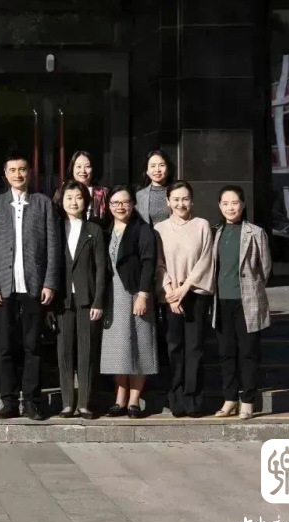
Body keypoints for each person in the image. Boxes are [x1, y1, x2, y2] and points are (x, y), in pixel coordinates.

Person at [0, 151, 60, 420]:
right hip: (4, 287)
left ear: (30, 173)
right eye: (13, 170)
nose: (18, 174)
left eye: (23, 169)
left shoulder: (43, 203)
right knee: (6, 347)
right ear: (5, 174)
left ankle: (32, 401)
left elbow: (53, 246)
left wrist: (49, 282)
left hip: (34, 286)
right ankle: (8, 401)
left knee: (32, 346)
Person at [155, 180, 215, 418]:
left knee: (195, 348)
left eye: (185, 199)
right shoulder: (160, 228)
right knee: (174, 348)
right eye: (176, 199)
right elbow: (158, 263)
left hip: (195, 294)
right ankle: (176, 398)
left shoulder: (202, 225)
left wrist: (186, 288)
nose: (181, 204)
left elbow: (206, 259)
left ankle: (193, 400)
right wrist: (171, 291)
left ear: (192, 201)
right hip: (170, 297)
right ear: (168, 201)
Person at [212, 185, 271, 420]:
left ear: (243, 205)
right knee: (226, 353)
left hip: (247, 302)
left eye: (234, 203)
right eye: (225, 203)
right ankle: (229, 400)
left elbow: (264, 269)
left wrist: (251, 289)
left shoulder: (255, 233)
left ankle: (247, 400)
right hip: (221, 302)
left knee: (247, 353)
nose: (230, 208)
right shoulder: (216, 232)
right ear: (219, 206)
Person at [100, 186, 159, 418]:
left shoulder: (142, 230)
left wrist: (143, 295)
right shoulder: (106, 230)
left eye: (124, 202)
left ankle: (134, 401)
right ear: (109, 206)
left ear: (133, 204)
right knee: (117, 349)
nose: (120, 207)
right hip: (112, 295)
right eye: (115, 203)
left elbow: (149, 263)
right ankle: (119, 399)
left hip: (135, 293)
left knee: (138, 345)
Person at [53, 179, 106, 419]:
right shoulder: (55, 228)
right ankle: (67, 403)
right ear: (61, 201)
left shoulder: (94, 230)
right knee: (64, 352)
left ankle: (84, 403)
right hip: (62, 299)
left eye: (78, 197)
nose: (74, 202)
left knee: (87, 351)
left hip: (87, 298)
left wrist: (98, 301)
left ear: (86, 201)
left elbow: (101, 268)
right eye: (69, 197)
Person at [67, 150, 108, 227]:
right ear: (72, 168)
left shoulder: (104, 193)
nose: (83, 171)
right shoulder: (63, 192)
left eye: (87, 166)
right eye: (79, 166)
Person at [135, 149, 173, 226]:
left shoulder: (176, 192)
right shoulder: (140, 195)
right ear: (147, 171)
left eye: (161, 165)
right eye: (153, 166)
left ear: (168, 169)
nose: (157, 170)